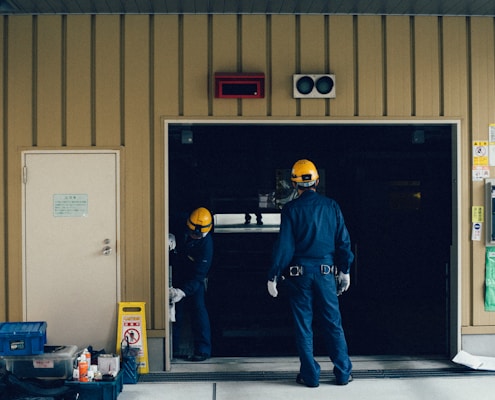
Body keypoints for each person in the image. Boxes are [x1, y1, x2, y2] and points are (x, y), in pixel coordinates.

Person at [266, 159, 354, 387]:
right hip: (326, 274)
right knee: (333, 323)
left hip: (299, 276)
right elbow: (343, 241)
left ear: (295, 185)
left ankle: (311, 376)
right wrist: (345, 270)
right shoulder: (332, 206)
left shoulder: (290, 210)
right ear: (316, 181)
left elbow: (285, 247)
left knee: (304, 325)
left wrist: (273, 275)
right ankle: (343, 373)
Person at [169, 207, 214, 362]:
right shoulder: (179, 219)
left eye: (197, 234)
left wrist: (182, 292)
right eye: (191, 232)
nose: (193, 235)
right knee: (174, 312)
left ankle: (203, 350)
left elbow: (198, 276)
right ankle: (170, 350)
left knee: (198, 310)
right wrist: (169, 234)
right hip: (176, 269)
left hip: (194, 278)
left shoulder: (207, 246)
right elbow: (162, 221)